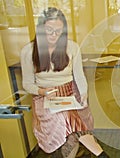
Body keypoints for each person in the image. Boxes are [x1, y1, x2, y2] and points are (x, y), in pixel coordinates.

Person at [20, 7, 108, 157]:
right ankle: (100, 154)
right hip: (45, 97)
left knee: (70, 117)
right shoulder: (28, 51)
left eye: (58, 31)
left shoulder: (72, 47)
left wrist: (84, 95)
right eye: (49, 30)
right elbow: (27, 84)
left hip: (70, 93)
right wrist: (43, 92)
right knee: (67, 116)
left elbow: (79, 77)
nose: (54, 35)